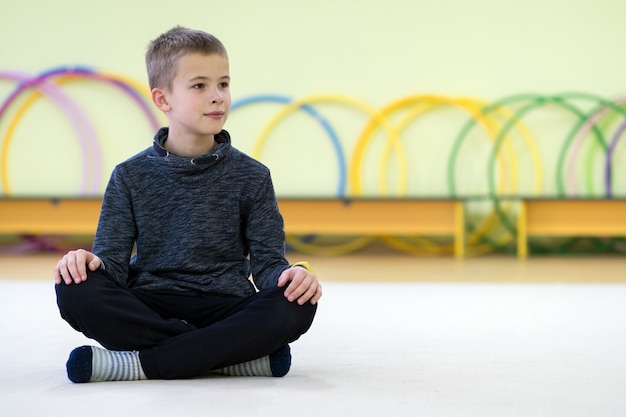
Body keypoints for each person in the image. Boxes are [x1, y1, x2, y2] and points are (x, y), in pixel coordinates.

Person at [53, 26, 321, 383]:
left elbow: (269, 264)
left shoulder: (253, 176)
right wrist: (86, 262)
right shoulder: (128, 176)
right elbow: (112, 264)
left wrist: (292, 277)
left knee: (297, 303)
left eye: (223, 84)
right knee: (74, 288)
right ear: (163, 100)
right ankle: (226, 357)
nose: (218, 97)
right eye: (200, 86)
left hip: (226, 305)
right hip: (151, 303)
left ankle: (142, 364)